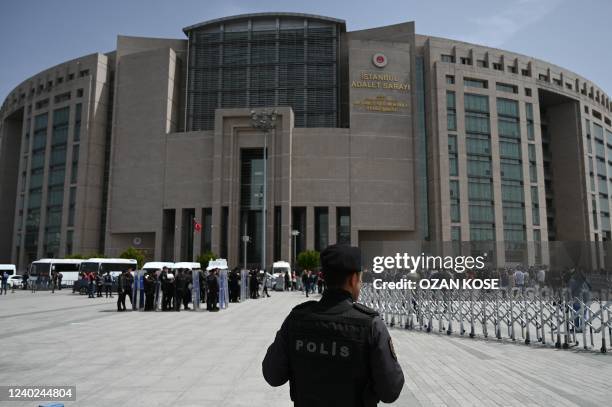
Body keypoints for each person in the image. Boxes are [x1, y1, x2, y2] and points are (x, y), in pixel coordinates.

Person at [262, 244, 404, 406]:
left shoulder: (297, 319)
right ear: (353, 279)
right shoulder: (370, 325)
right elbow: (391, 390)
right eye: (360, 279)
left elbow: (272, 375)